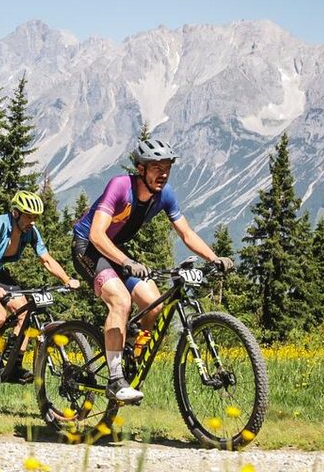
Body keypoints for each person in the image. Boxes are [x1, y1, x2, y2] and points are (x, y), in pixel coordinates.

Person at [71, 137, 232, 403]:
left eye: (167, 166)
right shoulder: (120, 187)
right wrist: (126, 262)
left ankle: (133, 349)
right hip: (87, 247)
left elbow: (186, 233)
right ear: (140, 169)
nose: (164, 173)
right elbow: (98, 236)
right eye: (156, 167)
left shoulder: (165, 196)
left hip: (116, 252)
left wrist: (214, 258)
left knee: (154, 305)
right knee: (120, 301)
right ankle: (114, 379)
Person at [0, 191, 80, 383]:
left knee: (24, 312)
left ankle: (13, 365)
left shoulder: (30, 232)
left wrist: (67, 279)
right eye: (29, 216)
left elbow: (46, 259)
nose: (33, 222)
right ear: (16, 213)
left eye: (36, 218)